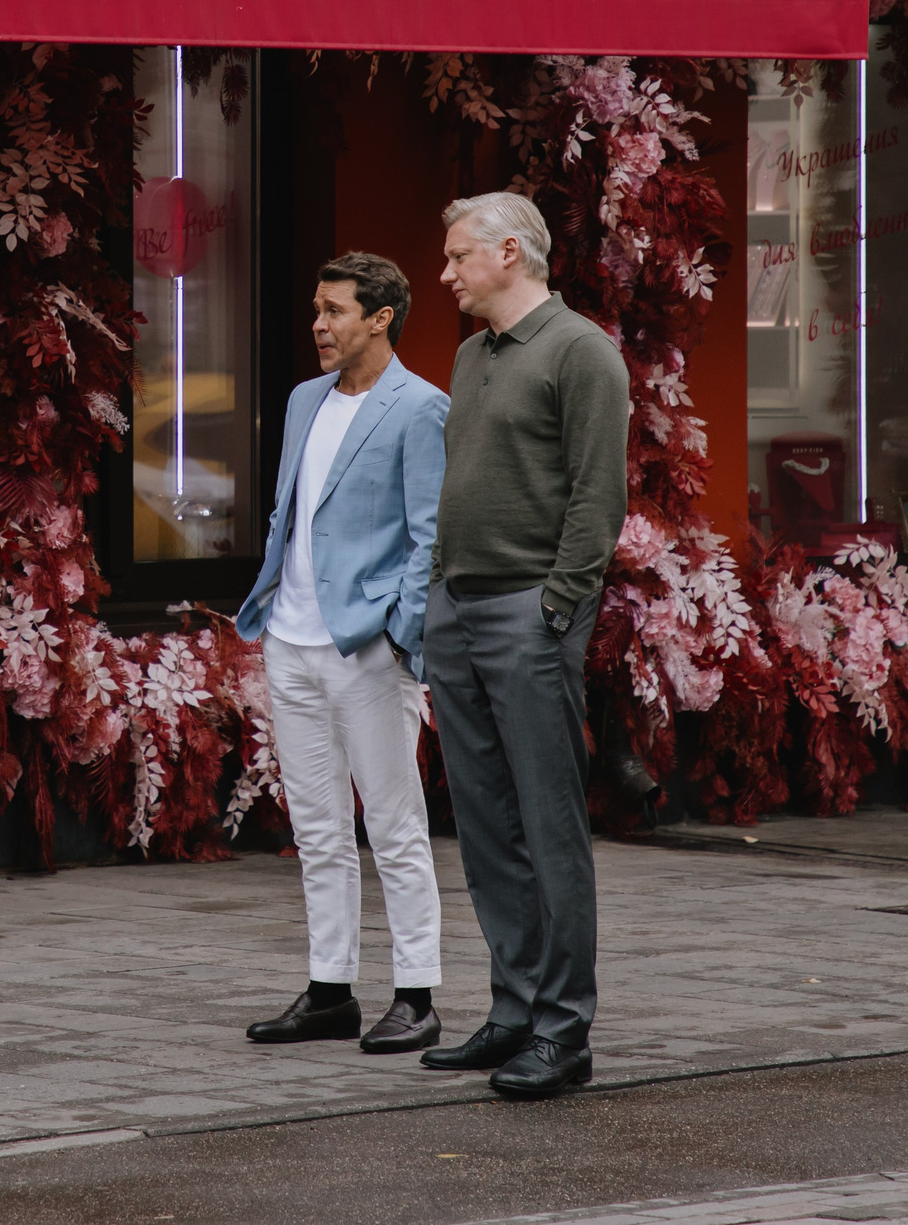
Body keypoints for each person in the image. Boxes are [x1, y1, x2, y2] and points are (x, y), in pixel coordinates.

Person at [419, 191, 629, 1099]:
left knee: (548, 826)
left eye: (459, 254)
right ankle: (512, 1011)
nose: (446, 270)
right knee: (484, 825)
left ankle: (563, 1029)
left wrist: (557, 607)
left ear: (511, 253)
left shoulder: (582, 350)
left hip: (527, 615)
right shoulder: (472, 355)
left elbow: (598, 497)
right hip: (457, 609)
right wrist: (437, 589)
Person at [235, 252, 450, 1055]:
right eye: (316, 310)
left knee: (395, 824)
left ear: (380, 317)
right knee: (319, 828)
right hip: (288, 641)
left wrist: (399, 636)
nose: (319, 325)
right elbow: (290, 511)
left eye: (334, 311)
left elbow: (430, 538)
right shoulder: (302, 400)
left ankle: (417, 993)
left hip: (365, 647)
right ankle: (331, 990)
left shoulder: (421, 408)